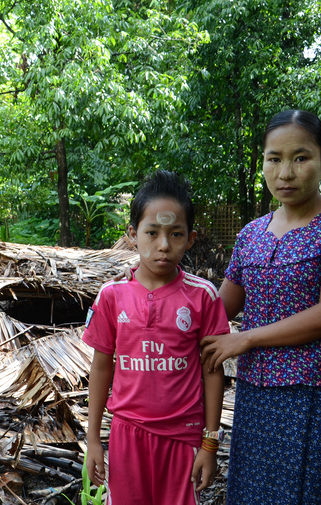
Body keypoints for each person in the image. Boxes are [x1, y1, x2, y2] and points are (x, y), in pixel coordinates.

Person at [199, 110, 321, 505]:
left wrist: (245, 339)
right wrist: (156, 292)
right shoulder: (251, 234)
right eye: (274, 158)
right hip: (255, 395)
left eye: (301, 158)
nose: (286, 172)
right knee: (252, 493)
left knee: (307, 494)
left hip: (312, 394)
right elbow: (217, 309)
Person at [83, 170, 230, 505]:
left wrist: (210, 443)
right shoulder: (112, 295)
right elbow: (102, 365)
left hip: (183, 437)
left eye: (176, 234)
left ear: (190, 239)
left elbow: (212, 371)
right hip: (126, 436)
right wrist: (93, 438)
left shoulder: (203, 296)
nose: (163, 245)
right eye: (152, 233)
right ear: (133, 235)